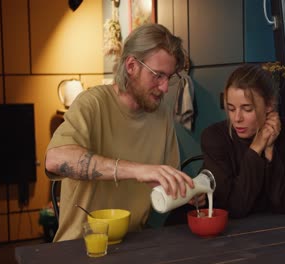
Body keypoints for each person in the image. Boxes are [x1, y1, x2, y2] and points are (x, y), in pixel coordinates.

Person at [45, 23, 196, 242]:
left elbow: (162, 188)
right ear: (132, 66)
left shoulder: (161, 115)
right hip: (82, 245)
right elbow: (54, 160)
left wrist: (189, 193)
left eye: (169, 78)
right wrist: (136, 170)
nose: (164, 88)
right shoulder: (92, 103)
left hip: (135, 243)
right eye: (157, 75)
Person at [200, 63, 285, 218]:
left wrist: (270, 150)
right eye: (231, 108)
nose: (237, 118)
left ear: (269, 105)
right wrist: (257, 148)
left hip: (272, 232)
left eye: (247, 109)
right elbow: (235, 209)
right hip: (224, 235)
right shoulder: (214, 137)